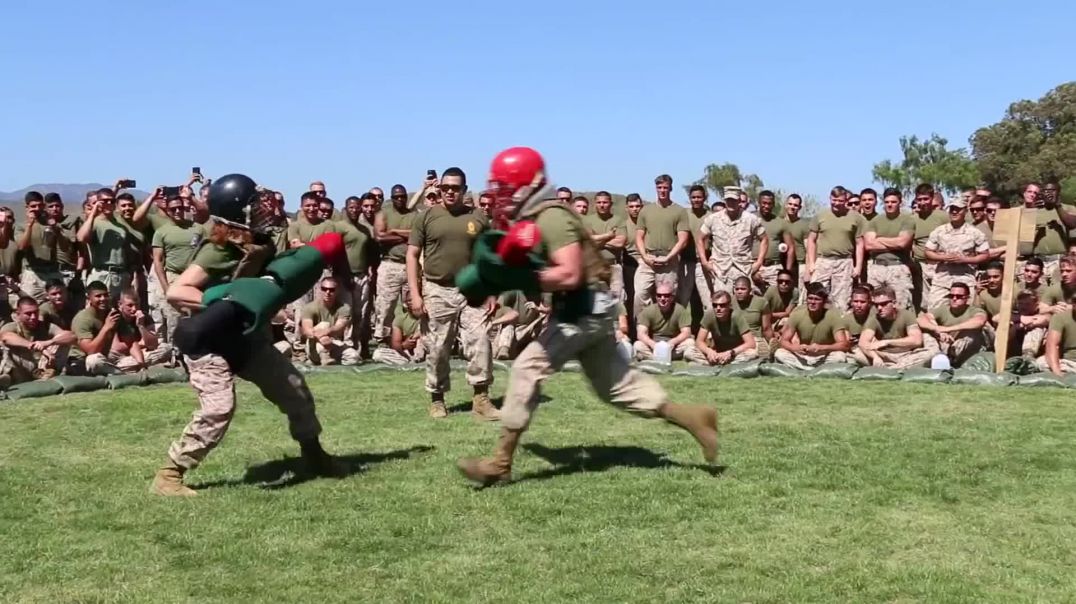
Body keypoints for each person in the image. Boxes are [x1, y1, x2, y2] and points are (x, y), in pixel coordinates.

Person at [456, 147, 718, 486]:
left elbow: (568, 275)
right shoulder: (539, 217)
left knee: (526, 367)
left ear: (524, 185)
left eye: (504, 188)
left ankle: (500, 463)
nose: (499, 196)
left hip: (581, 307)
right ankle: (694, 418)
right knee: (618, 388)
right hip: (589, 308)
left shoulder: (551, 217)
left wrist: (519, 279)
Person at [151, 174, 342, 497]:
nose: (265, 207)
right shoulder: (218, 250)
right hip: (208, 340)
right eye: (255, 203)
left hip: (243, 336)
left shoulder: (259, 239)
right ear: (237, 214)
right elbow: (178, 292)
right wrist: (228, 296)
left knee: (294, 389)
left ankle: (314, 455)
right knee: (218, 408)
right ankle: (170, 473)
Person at [407, 167, 498, 420]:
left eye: (455, 188)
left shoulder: (478, 217)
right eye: (445, 187)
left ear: (464, 190)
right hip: (437, 288)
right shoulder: (426, 217)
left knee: (480, 340)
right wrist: (416, 294)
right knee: (437, 346)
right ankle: (437, 399)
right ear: (439, 188)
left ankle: (481, 398)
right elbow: (412, 255)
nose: (449, 191)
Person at [0, 296, 76, 384]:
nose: (33, 317)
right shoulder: (12, 327)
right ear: (18, 314)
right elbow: (5, 337)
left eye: (35, 312)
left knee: (61, 341)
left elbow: (72, 336)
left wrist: (48, 343)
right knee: (4, 347)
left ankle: (48, 375)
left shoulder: (46, 326)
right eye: (28, 314)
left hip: (43, 368)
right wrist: (32, 345)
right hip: (21, 369)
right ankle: (6, 378)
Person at [773, 283, 850, 369]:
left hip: (823, 356)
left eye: (817, 299)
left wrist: (822, 348)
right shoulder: (797, 314)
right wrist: (795, 348)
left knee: (840, 356)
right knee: (779, 353)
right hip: (803, 356)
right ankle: (815, 370)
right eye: (810, 298)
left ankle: (805, 369)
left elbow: (843, 344)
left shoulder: (833, 315)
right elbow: (784, 341)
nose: (812, 302)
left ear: (824, 302)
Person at [853, 286, 932, 369]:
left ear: (894, 303)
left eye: (883, 304)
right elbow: (863, 343)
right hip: (884, 355)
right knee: (857, 353)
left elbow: (916, 340)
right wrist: (875, 357)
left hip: (906, 354)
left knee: (930, 352)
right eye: (876, 305)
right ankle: (898, 368)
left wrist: (888, 342)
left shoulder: (906, 315)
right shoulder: (874, 318)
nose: (879, 308)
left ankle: (890, 368)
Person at [916, 282, 987, 368]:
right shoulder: (943, 309)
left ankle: (949, 360)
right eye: (951, 296)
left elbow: (979, 321)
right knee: (927, 334)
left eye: (959, 296)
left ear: (967, 298)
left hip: (965, 348)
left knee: (971, 334)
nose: (954, 298)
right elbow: (922, 319)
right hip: (946, 344)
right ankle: (935, 358)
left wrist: (948, 329)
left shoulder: (973, 310)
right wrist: (937, 329)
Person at [685, 290, 757, 366]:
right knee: (689, 352)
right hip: (717, 353)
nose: (718, 308)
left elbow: (751, 343)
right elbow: (699, 341)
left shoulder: (737, 316)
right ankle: (725, 364)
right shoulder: (709, 315)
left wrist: (731, 352)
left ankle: (710, 364)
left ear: (729, 305)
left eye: (722, 305)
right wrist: (709, 351)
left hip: (734, 353)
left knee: (752, 353)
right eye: (715, 305)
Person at [301, 276, 359, 366]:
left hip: (332, 342)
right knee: (324, 325)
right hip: (313, 343)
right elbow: (307, 330)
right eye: (324, 289)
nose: (327, 292)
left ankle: (327, 361)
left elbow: (339, 327)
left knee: (354, 357)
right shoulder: (309, 307)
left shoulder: (344, 308)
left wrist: (326, 333)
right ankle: (322, 358)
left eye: (331, 289)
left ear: (337, 290)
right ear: (320, 289)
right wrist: (322, 337)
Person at [633, 278, 695, 361]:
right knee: (638, 345)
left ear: (672, 297)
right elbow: (641, 334)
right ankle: (659, 357)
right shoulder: (648, 311)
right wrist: (653, 344)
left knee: (690, 342)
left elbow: (686, 332)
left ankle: (655, 358)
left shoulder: (680, 310)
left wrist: (672, 342)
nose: (662, 298)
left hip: (673, 346)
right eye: (659, 295)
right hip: (654, 346)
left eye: (666, 295)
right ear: (656, 297)